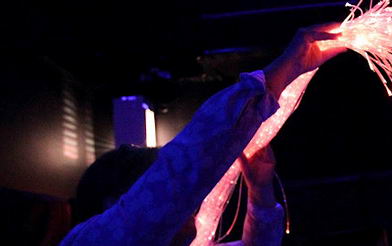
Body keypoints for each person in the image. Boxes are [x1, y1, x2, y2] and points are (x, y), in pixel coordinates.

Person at [61, 23, 346, 246]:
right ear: (114, 203)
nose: (191, 201)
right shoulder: (91, 241)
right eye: (155, 184)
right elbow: (182, 172)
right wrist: (285, 68)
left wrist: (259, 189)